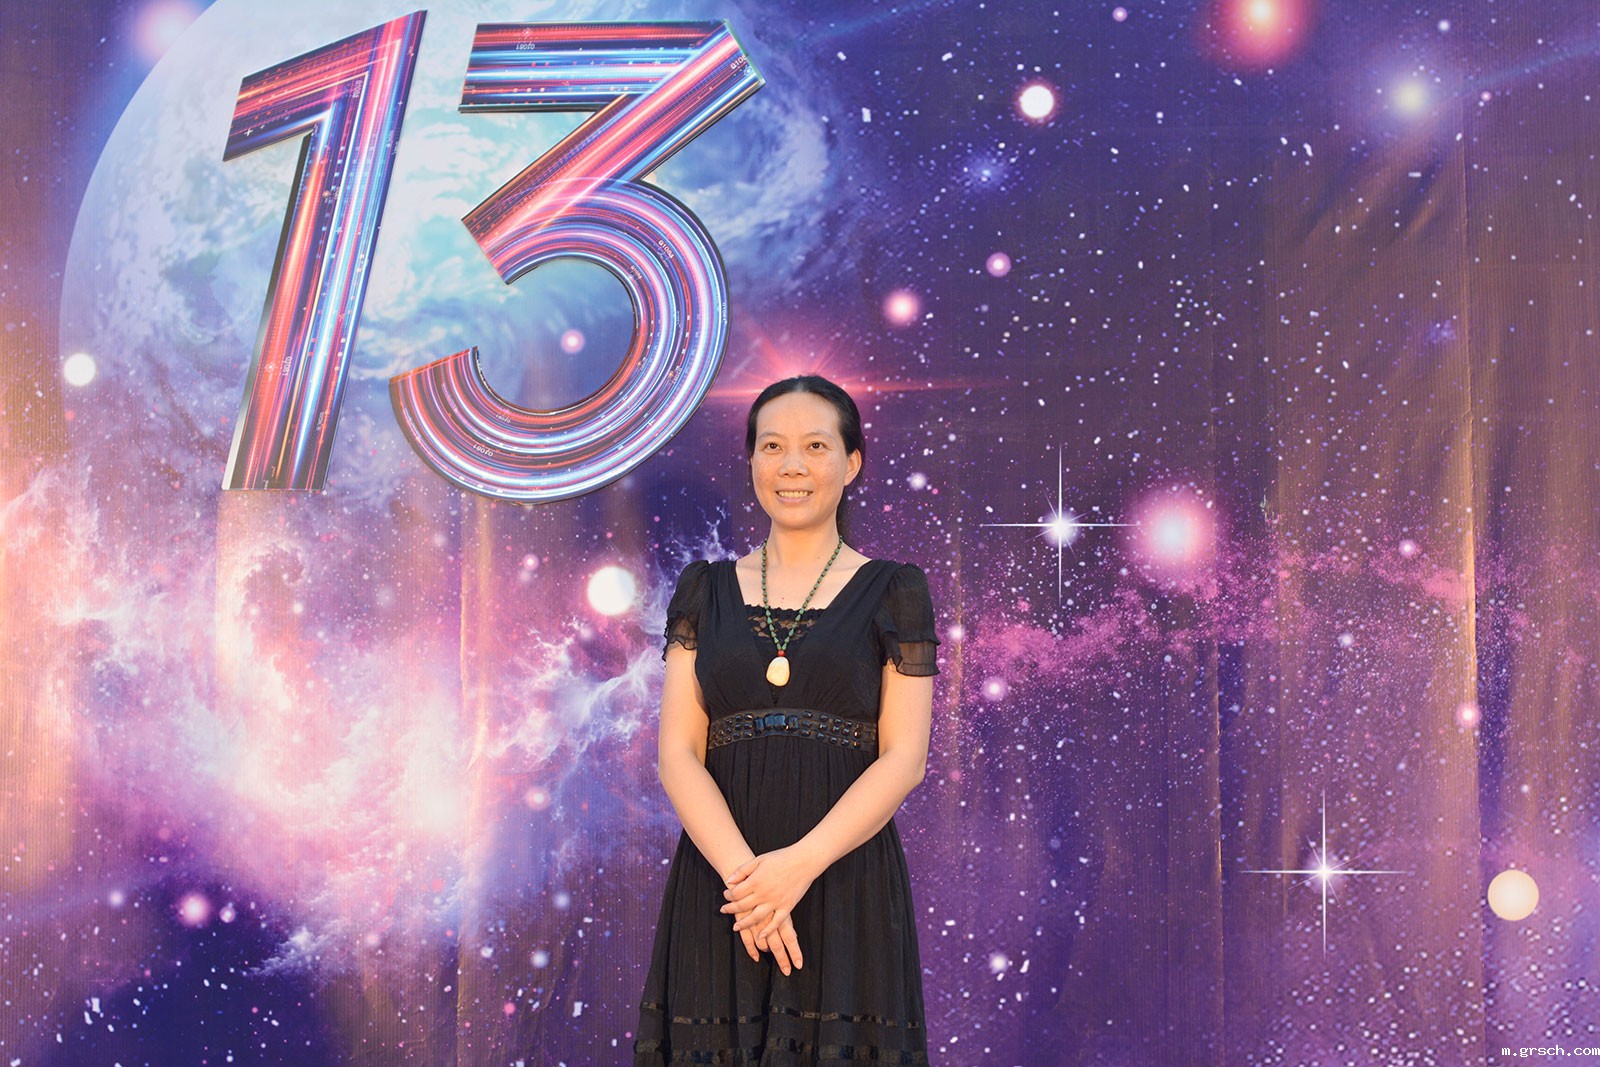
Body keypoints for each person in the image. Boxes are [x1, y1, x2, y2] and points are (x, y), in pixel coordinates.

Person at [633, 375, 939, 1065]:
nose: (791, 465)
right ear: (751, 461)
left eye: (815, 446)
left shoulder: (895, 589)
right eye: (772, 446)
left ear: (851, 463)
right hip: (724, 886)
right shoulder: (702, 589)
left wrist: (797, 868)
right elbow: (678, 753)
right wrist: (752, 885)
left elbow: (905, 758)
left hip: (843, 879)